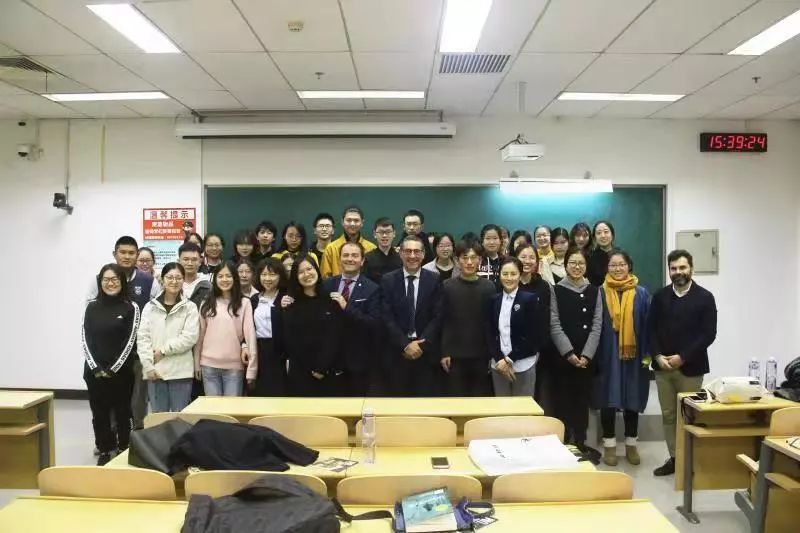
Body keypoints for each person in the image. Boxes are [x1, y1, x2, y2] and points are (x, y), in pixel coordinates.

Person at [649, 249, 717, 476]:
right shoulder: (659, 297)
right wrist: (658, 356)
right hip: (663, 367)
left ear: (691, 269)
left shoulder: (705, 297)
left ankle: (689, 460)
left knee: (689, 415)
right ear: (669, 271)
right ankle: (675, 459)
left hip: (691, 368)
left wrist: (683, 357)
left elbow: (708, 334)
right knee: (669, 415)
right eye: (674, 268)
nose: (678, 272)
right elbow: (650, 330)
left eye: (682, 267)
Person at [85, 236, 160, 431]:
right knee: (108, 400)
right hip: (107, 354)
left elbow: (157, 314)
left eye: (131, 253)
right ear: (114, 254)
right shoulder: (100, 279)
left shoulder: (149, 281)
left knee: (137, 399)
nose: (127, 256)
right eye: (123, 252)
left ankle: (136, 435)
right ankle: (111, 436)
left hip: (138, 353)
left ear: (137, 255)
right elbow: (90, 315)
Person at [592, 250, 651, 467]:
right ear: (607, 268)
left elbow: (648, 325)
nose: (617, 269)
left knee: (632, 400)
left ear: (629, 266)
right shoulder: (599, 293)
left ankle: (631, 445)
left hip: (633, 356)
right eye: (613, 265)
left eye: (621, 264)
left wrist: (648, 355)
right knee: (607, 399)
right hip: (607, 356)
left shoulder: (641, 293)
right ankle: (609, 446)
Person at [82, 264, 140, 465]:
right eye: (106, 280)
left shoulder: (131, 307)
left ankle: (124, 447)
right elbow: (86, 338)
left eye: (115, 279)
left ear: (122, 282)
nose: (110, 283)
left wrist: (113, 368)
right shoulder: (91, 307)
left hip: (121, 373)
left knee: (123, 411)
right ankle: (105, 449)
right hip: (94, 372)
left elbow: (130, 340)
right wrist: (96, 368)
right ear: (100, 283)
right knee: (99, 413)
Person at [550, 247, 603, 461]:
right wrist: (569, 353)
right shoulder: (556, 290)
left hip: (586, 359)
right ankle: (565, 443)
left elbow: (597, 325)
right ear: (565, 265)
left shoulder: (595, 291)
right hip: (563, 358)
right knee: (563, 400)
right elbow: (554, 323)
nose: (577, 267)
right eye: (572, 262)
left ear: (586, 266)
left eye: (581, 263)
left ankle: (581, 442)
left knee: (582, 400)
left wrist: (586, 355)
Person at [381, 235, 443, 397]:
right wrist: (405, 345)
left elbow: (438, 316)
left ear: (423, 254)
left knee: (424, 403)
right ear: (400, 253)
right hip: (397, 353)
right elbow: (386, 317)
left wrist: (420, 345)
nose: (412, 256)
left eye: (417, 251)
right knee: (398, 403)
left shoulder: (434, 279)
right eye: (408, 251)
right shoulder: (388, 280)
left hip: (426, 353)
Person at [277, 254, 343, 396]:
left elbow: (335, 337)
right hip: (300, 373)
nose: (306, 274)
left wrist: (322, 367)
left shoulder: (331, 300)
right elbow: (291, 341)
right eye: (301, 272)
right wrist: (311, 368)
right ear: (295, 277)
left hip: (328, 372)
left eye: (309, 269)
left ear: (317, 270)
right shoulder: (290, 303)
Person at [137, 262, 199, 413]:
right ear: (162, 279)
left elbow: (190, 337)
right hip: (155, 371)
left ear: (183, 280)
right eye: (170, 277)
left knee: (180, 418)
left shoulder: (190, 307)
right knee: (159, 418)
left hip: (180, 372)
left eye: (178, 278)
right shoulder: (150, 307)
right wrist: (148, 366)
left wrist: (163, 351)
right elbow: (143, 338)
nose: (174, 281)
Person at [321, 242, 381, 396]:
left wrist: (346, 306)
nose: (350, 259)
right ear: (339, 259)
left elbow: (373, 324)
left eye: (355, 256)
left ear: (362, 260)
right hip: (330, 361)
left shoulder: (372, 288)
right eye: (346, 255)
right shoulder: (326, 285)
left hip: (359, 363)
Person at [439, 240, 495, 396]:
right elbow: (443, 322)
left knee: (479, 401)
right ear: (457, 261)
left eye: (473, 257)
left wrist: (491, 354)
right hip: (454, 356)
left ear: (480, 260)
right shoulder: (447, 286)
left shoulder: (489, 287)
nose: (469, 262)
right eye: (464, 258)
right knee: (456, 401)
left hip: (481, 356)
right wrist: (444, 351)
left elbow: (490, 324)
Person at [194, 262, 257, 396]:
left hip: (234, 367)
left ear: (235, 278)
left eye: (228, 276)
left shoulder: (244, 303)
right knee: (213, 408)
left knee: (232, 408)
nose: (224, 279)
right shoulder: (207, 302)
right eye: (220, 276)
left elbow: (250, 336)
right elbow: (200, 336)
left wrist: (252, 368)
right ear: (215, 279)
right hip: (208, 366)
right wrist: (196, 363)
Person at [488, 257, 545, 396]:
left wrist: (509, 359)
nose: (509, 278)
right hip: (498, 365)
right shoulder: (493, 300)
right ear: (499, 275)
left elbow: (533, 336)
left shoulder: (530, 299)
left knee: (523, 407)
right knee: (501, 407)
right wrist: (500, 359)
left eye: (513, 274)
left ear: (520, 275)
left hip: (523, 364)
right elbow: (489, 332)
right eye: (505, 274)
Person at [251, 258, 287, 396]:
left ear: (280, 276)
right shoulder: (254, 299)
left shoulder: (286, 297)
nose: (267, 278)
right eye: (264, 274)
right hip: (259, 350)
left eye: (272, 274)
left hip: (280, 352)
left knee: (280, 391)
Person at [321, 205, 377, 278]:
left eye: (356, 220)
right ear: (342, 222)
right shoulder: (331, 249)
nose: (352, 224)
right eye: (349, 220)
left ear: (362, 223)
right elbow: (325, 278)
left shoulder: (372, 248)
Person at [363, 217, 402, 284]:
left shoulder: (401, 258)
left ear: (394, 234)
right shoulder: (367, 258)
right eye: (381, 232)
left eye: (388, 232)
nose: (384, 235)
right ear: (374, 234)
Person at [179, 243, 211, 307]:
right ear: (179, 261)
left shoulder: (208, 281)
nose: (190, 263)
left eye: (194, 259)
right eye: (186, 259)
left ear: (200, 261)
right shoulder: (171, 282)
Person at [588, 220, 615, 286]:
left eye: (606, 232)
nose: (603, 236)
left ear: (612, 234)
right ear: (595, 238)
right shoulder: (590, 258)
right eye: (598, 233)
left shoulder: (621, 255)